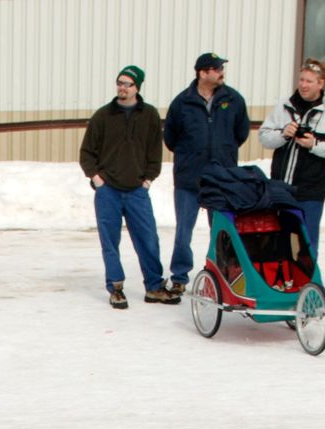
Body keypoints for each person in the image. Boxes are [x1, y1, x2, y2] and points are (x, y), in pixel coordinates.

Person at [79, 64, 170, 308]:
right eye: (119, 83)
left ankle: (154, 286)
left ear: (137, 87)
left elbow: (155, 151)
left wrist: (148, 179)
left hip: (137, 191)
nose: (122, 87)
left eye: (127, 84)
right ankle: (116, 287)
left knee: (148, 239)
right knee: (110, 242)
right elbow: (87, 153)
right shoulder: (103, 115)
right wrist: (97, 179)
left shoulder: (149, 115)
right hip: (108, 191)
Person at [163, 52, 250, 295]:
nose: (221, 72)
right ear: (202, 73)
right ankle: (180, 276)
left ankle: (220, 274)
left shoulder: (233, 100)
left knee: (222, 230)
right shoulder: (182, 102)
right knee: (183, 231)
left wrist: (224, 152)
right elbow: (170, 137)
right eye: (216, 68)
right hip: (189, 178)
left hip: (221, 178)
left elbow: (240, 133)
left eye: (222, 67)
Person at [257, 58, 325, 259]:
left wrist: (315, 145)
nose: (303, 85)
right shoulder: (284, 105)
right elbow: (264, 137)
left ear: (321, 83)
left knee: (307, 241)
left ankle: (307, 283)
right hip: (281, 187)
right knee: (279, 236)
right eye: (301, 80)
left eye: (309, 81)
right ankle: (281, 282)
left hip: (311, 189)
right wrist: (283, 134)